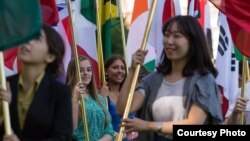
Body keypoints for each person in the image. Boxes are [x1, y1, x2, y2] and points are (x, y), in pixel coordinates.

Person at [116, 15, 223, 141]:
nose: (169, 41)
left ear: (193, 41)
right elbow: (123, 108)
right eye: (166, 35)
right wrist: (132, 70)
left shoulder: (204, 80)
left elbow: (194, 124)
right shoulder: (153, 80)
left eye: (177, 36)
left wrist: (148, 126)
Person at [0, 24, 72, 140]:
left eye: (37, 38)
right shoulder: (4, 85)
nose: (27, 41)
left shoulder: (60, 92)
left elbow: (62, 137)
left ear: (50, 56)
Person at [65, 56, 114, 141]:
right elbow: (71, 129)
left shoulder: (98, 98)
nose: (86, 73)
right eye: (81, 70)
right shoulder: (65, 97)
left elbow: (109, 130)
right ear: (73, 73)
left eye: (89, 69)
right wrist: (75, 99)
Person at [101, 54, 139, 140]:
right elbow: (101, 124)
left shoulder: (130, 94)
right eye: (115, 67)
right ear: (106, 71)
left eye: (122, 68)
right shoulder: (102, 95)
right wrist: (102, 98)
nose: (120, 71)